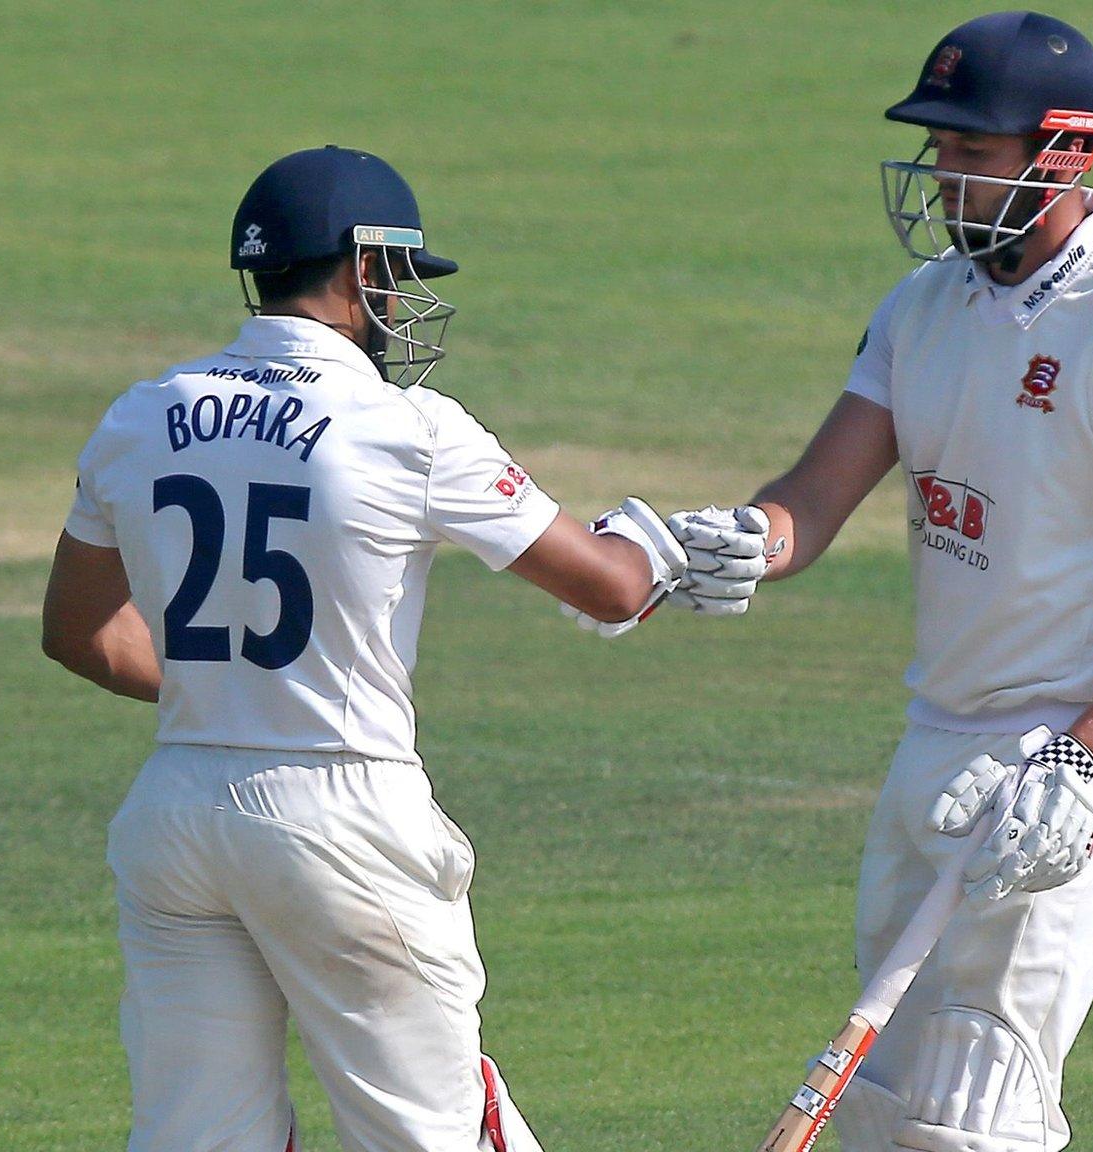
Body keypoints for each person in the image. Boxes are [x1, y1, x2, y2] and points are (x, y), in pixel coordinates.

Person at [647, 11, 1093, 1149]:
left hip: (1080, 759)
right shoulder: (921, 306)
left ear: (1063, 155)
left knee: (976, 1107)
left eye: (970, 156)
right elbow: (813, 500)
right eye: (940, 151)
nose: (942, 179)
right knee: (883, 1108)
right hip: (940, 733)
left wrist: (1078, 758)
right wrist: (743, 539)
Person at [40, 144, 689, 1152]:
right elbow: (611, 585)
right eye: (395, 277)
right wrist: (671, 542)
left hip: (177, 815)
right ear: (358, 271)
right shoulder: (408, 429)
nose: (400, 301)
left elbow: (76, 633)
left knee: (196, 1140)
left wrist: (234, 701)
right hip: (345, 820)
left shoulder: (141, 416)